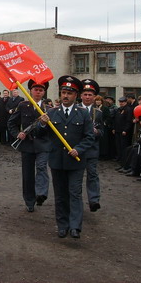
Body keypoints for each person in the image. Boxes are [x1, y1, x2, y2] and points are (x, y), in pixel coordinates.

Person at [39, 76, 94, 239]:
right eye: (63, 92)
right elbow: (41, 134)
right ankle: (62, 225)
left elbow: (89, 137)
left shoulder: (83, 114)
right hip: (57, 161)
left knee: (75, 193)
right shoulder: (51, 113)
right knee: (61, 194)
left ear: (75, 95)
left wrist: (79, 149)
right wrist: (42, 124)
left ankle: (75, 226)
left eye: (69, 93)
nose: (66, 96)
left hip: (76, 162)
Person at [7, 80, 50, 212]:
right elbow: (11, 123)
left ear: (44, 92)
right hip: (27, 145)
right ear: (30, 91)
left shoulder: (48, 108)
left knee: (42, 167)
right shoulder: (23, 105)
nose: (38, 92)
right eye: (36, 89)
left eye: (41, 90)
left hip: (43, 144)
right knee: (28, 174)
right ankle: (29, 201)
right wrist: (17, 133)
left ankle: (41, 194)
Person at [79, 79, 104, 212]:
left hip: (92, 150)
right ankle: (75, 200)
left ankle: (94, 200)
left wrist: (97, 132)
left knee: (92, 174)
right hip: (78, 150)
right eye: (85, 94)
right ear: (81, 96)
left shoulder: (98, 113)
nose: (87, 97)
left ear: (94, 97)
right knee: (76, 176)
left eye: (90, 95)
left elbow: (102, 131)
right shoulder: (75, 110)